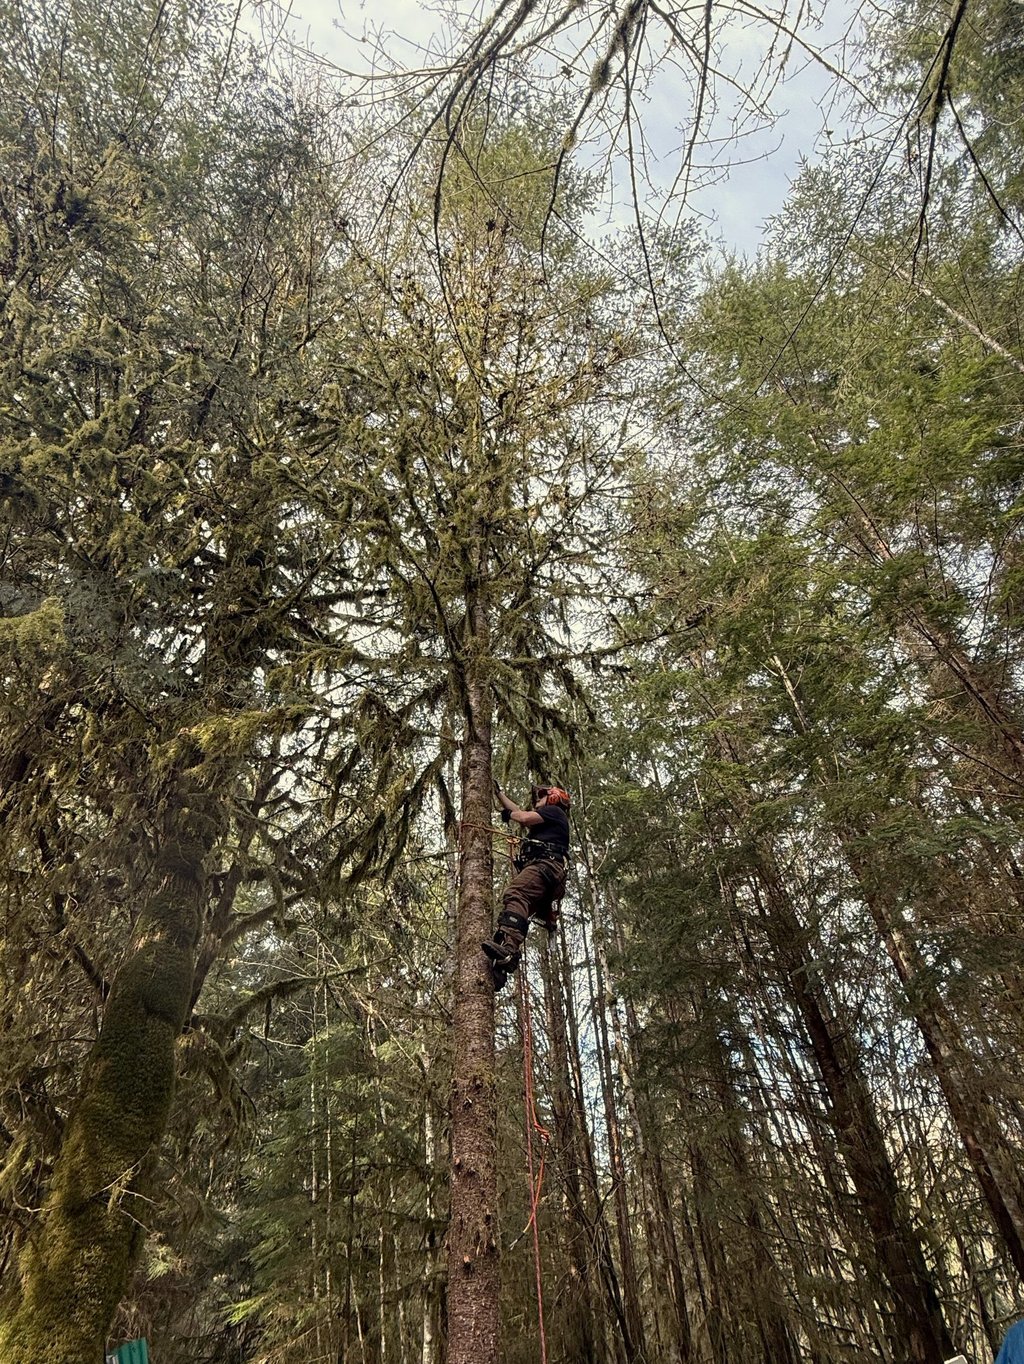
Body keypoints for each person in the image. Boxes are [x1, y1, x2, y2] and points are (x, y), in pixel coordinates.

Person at [482, 782, 571, 990]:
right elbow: (520, 812)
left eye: (540, 798)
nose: (537, 802)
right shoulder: (547, 821)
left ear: (552, 798)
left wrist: (508, 816)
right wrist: (499, 793)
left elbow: (522, 817)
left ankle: (509, 951)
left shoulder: (555, 812)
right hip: (548, 874)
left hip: (546, 866)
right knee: (517, 908)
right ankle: (502, 965)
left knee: (516, 893)